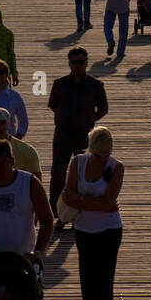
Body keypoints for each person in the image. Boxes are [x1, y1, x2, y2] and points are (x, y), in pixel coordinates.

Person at [62, 126, 124, 300]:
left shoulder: (117, 167)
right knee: (88, 281)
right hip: (84, 231)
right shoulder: (77, 163)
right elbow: (67, 195)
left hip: (109, 231)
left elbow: (110, 202)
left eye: (107, 154)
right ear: (91, 150)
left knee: (104, 282)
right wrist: (96, 204)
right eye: (98, 155)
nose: (103, 159)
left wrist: (82, 200)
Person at [46, 47, 108, 226]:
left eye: (81, 62)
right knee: (58, 175)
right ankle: (58, 215)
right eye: (74, 62)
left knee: (82, 176)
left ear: (86, 63)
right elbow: (53, 106)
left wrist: (89, 120)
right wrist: (65, 118)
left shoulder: (96, 86)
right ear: (69, 63)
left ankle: (79, 213)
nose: (77, 66)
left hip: (85, 136)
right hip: (63, 135)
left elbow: (103, 109)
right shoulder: (59, 84)